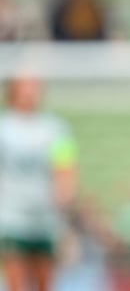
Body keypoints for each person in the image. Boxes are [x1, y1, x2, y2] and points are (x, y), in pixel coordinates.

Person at [0, 75, 78, 291]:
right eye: (24, 86)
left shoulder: (57, 129)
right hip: (12, 216)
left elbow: (66, 167)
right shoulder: (4, 128)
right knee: (16, 280)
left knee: (45, 282)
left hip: (46, 216)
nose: (29, 92)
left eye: (33, 86)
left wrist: (66, 198)